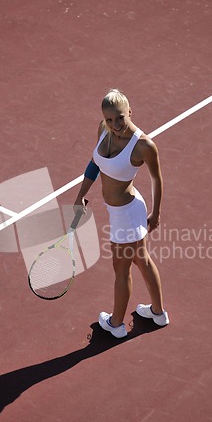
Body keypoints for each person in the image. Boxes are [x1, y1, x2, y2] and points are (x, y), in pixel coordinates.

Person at [74, 89, 169, 338]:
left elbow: (157, 180)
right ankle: (158, 314)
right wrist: (80, 194)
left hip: (126, 214)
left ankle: (116, 324)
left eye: (119, 117)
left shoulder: (143, 146)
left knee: (122, 269)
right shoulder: (103, 129)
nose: (115, 124)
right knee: (141, 259)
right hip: (121, 211)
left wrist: (156, 214)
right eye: (109, 119)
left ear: (129, 111)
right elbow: (95, 163)